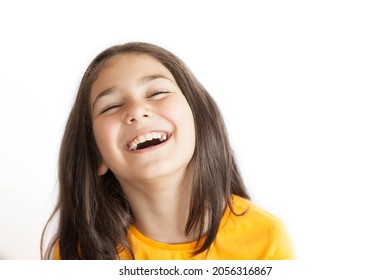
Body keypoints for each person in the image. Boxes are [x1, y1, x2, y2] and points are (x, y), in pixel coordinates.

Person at [41, 42, 295, 260]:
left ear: (200, 121)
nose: (137, 111)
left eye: (158, 92)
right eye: (112, 106)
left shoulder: (266, 239)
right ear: (96, 154)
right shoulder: (79, 253)